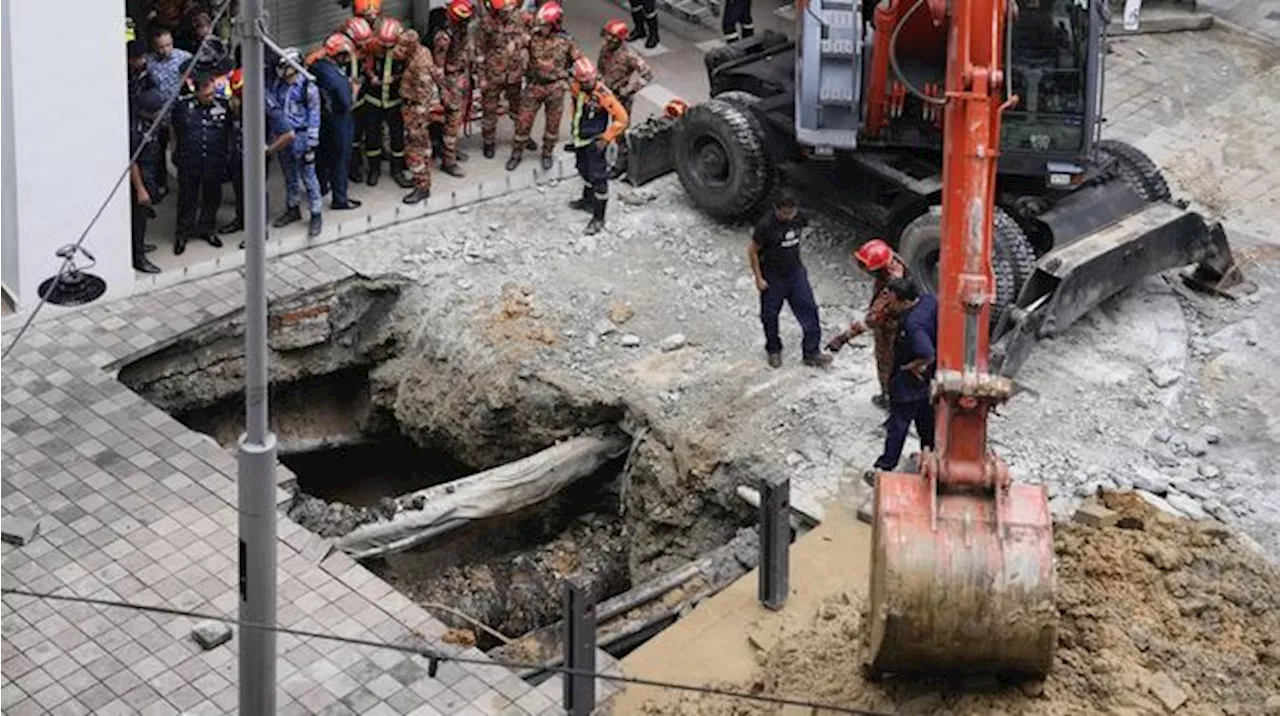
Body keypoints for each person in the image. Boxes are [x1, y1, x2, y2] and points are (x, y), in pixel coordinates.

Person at [747, 191, 832, 369]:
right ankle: (773, 349)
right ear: (776, 209)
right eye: (784, 212)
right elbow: (752, 251)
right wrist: (759, 278)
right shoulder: (766, 226)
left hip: (795, 273)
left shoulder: (799, 218)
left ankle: (811, 352)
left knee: (809, 310)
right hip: (773, 277)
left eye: (791, 212)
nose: (788, 216)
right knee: (769, 315)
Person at [824, 238, 910, 408]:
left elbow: (871, 319)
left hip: (891, 328)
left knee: (887, 363)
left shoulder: (889, 290)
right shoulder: (895, 261)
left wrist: (843, 338)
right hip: (901, 320)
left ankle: (889, 399)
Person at [869, 278, 937, 477]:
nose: (890, 305)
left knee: (898, 424)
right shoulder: (928, 300)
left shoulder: (912, 325)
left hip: (908, 383)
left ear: (904, 302)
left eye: (892, 302)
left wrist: (911, 366)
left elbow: (927, 353)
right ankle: (931, 456)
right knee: (927, 421)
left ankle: (885, 467)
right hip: (928, 379)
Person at [507, 1, 583, 172]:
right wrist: (514, 47)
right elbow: (517, 44)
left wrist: (575, 78)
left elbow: (578, 62)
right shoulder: (533, 36)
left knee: (552, 126)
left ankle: (547, 153)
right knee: (523, 123)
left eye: (545, 25)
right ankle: (516, 154)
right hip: (534, 87)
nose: (542, 28)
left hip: (555, 88)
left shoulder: (567, 41)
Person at [565, 57, 627, 236]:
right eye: (584, 81)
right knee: (583, 170)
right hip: (580, 138)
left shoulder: (603, 95)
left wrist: (606, 138)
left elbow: (622, 119)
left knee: (598, 177)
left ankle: (599, 217)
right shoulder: (576, 87)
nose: (588, 83)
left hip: (595, 141)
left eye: (590, 80)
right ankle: (587, 200)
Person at [171, 73, 230, 255]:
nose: (210, 98)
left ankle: (207, 229)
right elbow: (174, 130)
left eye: (212, 94)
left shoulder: (223, 105)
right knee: (187, 199)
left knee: (212, 198)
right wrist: (175, 151)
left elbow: (228, 131)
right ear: (196, 93)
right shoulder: (182, 107)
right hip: (189, 160)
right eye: (206, 96)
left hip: (213, 160)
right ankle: (183, 233)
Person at [271, 48, 325, 238]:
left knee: (309, 177)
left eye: (285, 67)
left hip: (302, 137)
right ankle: (292, 208)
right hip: (284, 137)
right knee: (290, 176)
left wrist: (312, 143)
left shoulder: (307, 86)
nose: (282, 71)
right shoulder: (279, 85)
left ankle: (316, 213)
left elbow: (314, 115)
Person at [311, 32, 364, 210]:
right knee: (340, 160)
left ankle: (322, 186)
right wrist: (354, 88)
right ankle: (340, 199)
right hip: (340, 121)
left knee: (322, 156)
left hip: (323, 119)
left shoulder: (317, 67)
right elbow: (347, 103)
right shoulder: (337, 78)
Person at [362, 18, 413, 188]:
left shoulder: (404, 51)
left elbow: (409, 71)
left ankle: (396, 170)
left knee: (397, 137)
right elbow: (367, 65)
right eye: (383, 45)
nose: (386, 49)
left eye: (389, 45)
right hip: (373, 100)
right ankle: (374, 170)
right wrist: (372, 76)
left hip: (394, 101)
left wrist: (395, 78)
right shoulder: (374, 46)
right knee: (372, 137)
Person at [476, 0, 531, 160]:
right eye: (501, 10)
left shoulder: (521, 18)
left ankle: (522, 137)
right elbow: (480, 51)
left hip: (514, 73)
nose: (504, 13)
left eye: (507, 9)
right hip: (493, 73)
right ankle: (489, 142)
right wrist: (481, 77)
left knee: (518, 108)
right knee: (489, 109)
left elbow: (531, 38)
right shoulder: (486, 23)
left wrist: (518, 43)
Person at [597, 19, 652, 178]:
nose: (607, 40)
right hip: (605, 95)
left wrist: (628, 90)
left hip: (621, 99)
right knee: (600, 126)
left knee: (620, 132)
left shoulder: (629, 56)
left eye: (611, 37)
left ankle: (621, 164)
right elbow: (601, 68)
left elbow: (647, 74)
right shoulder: (605, 49)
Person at [397, 29, 446, 204]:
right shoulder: (421, 51)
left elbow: (425, 93)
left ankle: (422, 186)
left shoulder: (421, 63)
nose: (400, 50)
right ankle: (421, 178)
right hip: (412, 107)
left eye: (404, 46)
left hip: (417, 111)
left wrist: (418, 120)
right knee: (421, 148)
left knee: (415, 149)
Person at [430, 0, 474, 177]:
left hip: (461, 78)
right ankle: (448, 162)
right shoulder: (443, 37)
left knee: (458, 120)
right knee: (451, 123)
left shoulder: (460, 29)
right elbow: (438, 69)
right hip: (451, 82)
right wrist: (443, 92)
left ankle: (450, 151)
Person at [147, 29, 194, 197]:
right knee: (158, 150)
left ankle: (186, 182)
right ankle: (162, 183)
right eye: (161, 47)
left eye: (168, 45)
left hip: (179, 112)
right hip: (159, 115)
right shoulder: (150, 62)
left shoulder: (184, 57)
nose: (166, 50)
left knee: (182, 148)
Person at [129, 89, 165, 274]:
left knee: (143, 219)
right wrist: (140, 189)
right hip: (139, 178)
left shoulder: (152, 123)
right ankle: (138, 258)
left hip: (149, 173)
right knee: (138, 220)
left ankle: (140, 245)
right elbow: (132, 162)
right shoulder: (137, 130)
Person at [341, 16, 376, 184]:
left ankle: (367, 166)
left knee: (368, 134)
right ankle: (353, 168)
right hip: (347, 105)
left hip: (364, 101)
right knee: (352, 139)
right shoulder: (340, 52)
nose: (364, 46)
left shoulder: (367, 50)